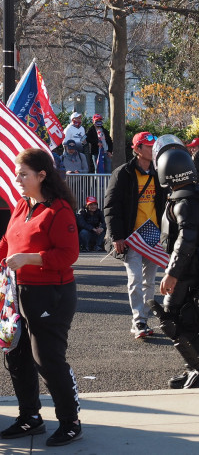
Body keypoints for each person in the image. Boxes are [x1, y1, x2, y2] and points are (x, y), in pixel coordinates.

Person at [0, 148, 82, 446]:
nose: (17, 178)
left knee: (46, 358)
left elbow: (68, 255)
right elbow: (7, 243)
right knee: (16, 355)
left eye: (23, 174)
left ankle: (70, 421)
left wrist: (30, 259)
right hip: (17, 292)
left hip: (52, 294)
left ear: (42, 175)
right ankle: (30, 417)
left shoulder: (59, 210)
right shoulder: (22, 206)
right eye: (17, 173)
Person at [152, 144, 199, 389]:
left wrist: (172, 272)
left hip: (192, 269)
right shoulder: (195, 195)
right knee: (192, 319)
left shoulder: (185, 201)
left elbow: (186, 239)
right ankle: (195, 368)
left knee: (170, 318)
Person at [104, 132, 166, 339]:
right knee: (135, 279)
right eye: (148, 146)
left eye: (154, 146)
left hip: (154, 237)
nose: (153, 149)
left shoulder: (160, 173)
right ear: (137, 149)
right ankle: (138, 320)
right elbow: (111, 207)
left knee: (150, 281)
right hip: (132, 238)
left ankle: (144, 319)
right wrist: (116, 236)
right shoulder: (123, 173)